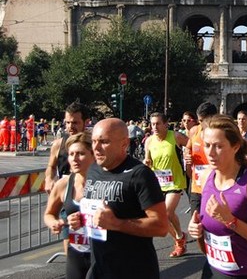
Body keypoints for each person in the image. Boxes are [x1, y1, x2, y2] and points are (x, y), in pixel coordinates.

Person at [187, 115, 247, 278]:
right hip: (213, 270)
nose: (210, 153)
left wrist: (231, 221)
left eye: (218, 146)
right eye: (207, 145)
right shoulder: (206, 176)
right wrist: (197, 229)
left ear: (236, 146)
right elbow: (209, 236)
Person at [76, 118, 168, 278]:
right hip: (99, 268)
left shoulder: (140, 174)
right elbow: (98, 212)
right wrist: (81, 218)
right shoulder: (93, 170)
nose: (96, 148)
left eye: (104, 142)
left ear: (124, 144)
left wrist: (117, 224)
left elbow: (161, 226)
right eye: (94, 141)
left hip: (134, 271)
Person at [44, 132, 94, 279]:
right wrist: (55, 223)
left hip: (102, 253)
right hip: (76, 252)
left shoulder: (105, 182)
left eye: (80, 154)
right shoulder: (63, 185)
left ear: (93, 155)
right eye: (71, 154)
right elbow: (49, 214)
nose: (75, 159)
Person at [44, 102, 91, 255]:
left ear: (86, 122)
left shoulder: (93, 143)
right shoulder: (59, 144)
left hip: (90, 193)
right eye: (68, 122)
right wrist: (49, 179)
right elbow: (51, 166)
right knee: (69, 238)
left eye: (75, 122)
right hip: (68, 193)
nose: (71, 126)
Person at [144, 112, 189, 257]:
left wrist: (189, 156)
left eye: (158, 123)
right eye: (152, 124)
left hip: (175, 181)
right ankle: (179, 237)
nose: (155, 127)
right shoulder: (149, 141)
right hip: (157, 183)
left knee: (167, 212)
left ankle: (180, 241)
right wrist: (146, 163)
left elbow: (193, 145)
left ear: (165, 124)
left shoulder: (175, 136)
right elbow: (147, 159)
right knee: (161, 217)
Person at [185, 102, 218, 218]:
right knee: (196, 220)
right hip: (197, 184)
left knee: (214, 221)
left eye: (203, 120)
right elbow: (188, 147)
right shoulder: (194, 131)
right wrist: (187, 155)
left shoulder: (223, 132)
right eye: (199, 120)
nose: (201, 124)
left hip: (217, 184)